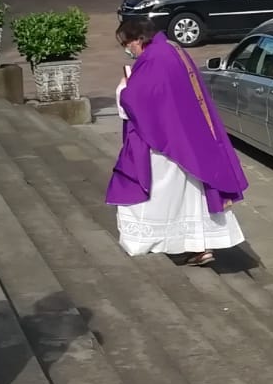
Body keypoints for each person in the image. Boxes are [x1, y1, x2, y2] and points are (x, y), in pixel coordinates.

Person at [106, 18, 247, 263]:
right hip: (185, 139)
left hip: (164, 146)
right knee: (191, 199)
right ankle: (199, 246)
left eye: (127, 43)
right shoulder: (171, 48)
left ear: (139, 39)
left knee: (156, 197)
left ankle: (147, 241)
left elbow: (139, 101)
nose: (127, 50)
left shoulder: (154, 58)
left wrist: (122, 91)